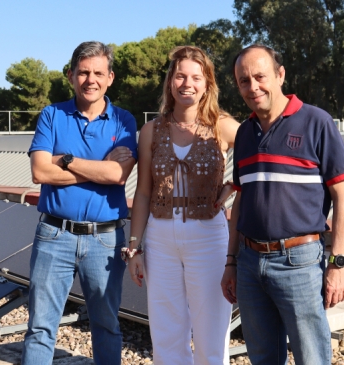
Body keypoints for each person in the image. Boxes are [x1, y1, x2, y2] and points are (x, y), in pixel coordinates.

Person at [220, 44, 344, 365]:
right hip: (250, 263)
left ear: (280, 75)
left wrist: (337, 265)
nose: (253, 87)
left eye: (259, 76)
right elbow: (242, 197)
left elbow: (343, 197)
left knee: (312, 357)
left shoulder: (316, 122)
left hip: (300, 262)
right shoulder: (245, 134)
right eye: (243, 80)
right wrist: (231, 262)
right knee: (263, 357)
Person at [23, 41, 137, 365]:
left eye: (98, 73)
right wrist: (98, 168)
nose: (91, 80)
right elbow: (39, 171)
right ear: (71, 75)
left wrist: (68, 160)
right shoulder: (52, 115)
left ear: (110, 77)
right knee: (40, 328)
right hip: (53, 236)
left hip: (105, 240)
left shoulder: (124, 122)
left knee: (106, 326)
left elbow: (119, 174)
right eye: (83, 72)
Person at [126, 45, 239, 365]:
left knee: (212, 335)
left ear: (207, 84)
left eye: (195, 77)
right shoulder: (150, 131)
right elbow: (144, 193)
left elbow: (260, 155)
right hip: (161, 238)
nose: (187, 83)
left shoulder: (224, 126)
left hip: (209, 237)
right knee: (166, 334)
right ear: (170, 82)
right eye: (180, 76)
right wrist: (135, 247)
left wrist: (234, 185)